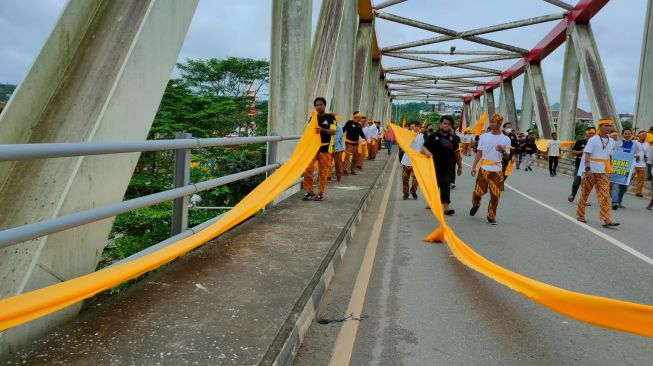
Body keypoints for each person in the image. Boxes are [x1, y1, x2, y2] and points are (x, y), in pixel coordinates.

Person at [576, 119, 620, 227]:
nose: (608, 127)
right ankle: (580, 214)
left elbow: (610, 156)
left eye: (610, 126)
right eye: (606, 125)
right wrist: (587, 168)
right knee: (584, 194)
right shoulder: (593, 140)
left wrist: (611, 168)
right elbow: (587, 153)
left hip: (603, 171)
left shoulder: (612, 142)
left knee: (605, 195)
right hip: (590, 170)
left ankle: (606, 219)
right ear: (600, 127)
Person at [469, 113, 511, 225]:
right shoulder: (484, 137)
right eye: (491, 121)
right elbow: (479, 152)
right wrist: (473, 167)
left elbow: (507, 156)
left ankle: (490, 216)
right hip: (483, 169)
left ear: (499, 123)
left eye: (493, 122)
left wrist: (502, 150)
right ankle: (476, 204)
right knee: (478, 193)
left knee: (495, 195)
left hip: (497, 171)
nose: (491, 124)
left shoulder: (506, 139)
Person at [422, 116, 463, 215]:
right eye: (444, 123)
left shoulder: (454, 138)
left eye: (449, 124)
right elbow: (424, 147)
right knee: (434, 184)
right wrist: (427, 152)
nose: (446, 125)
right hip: (433, 165)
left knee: (445, 184)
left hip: (448, 166)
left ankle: (446, 207)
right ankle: (431, 201)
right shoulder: (433, 136)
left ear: (451, 126)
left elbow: (457, 153)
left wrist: (460, 166)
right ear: (440, 124)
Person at [302, 97, 336, 201]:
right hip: (313, 148)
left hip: (324, 148)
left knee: (323, 171)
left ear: (324, 105)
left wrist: (322, 130)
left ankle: (320, 193)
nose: (318, 106)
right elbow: (309, 132)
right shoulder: (313, 118)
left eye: (320, 104)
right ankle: (309, 191)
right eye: (316, 105)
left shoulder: (330, 117)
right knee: (308, 169)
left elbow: (333, 132)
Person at [611, 128, 641, 209]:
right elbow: (612, 154)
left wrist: (637, 157)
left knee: (624, 187)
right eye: (626, 134)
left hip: (628, 169)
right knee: (615, 186)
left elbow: (638, 157)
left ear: (631, 134)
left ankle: (619, 201)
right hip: (617, 168)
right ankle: (614, 202)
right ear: (622, 134)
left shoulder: (635, 145)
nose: (627, 135)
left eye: (629, 134)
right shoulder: (617, 144)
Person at [568, 127, 596, 202]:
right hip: (579, 165)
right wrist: (581, 152)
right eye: (590, 133)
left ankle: (584, 199)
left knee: (587, 183)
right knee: (577, 182)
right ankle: (573, 194)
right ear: (586, 134)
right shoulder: (580, 142)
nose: (592, 135)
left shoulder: (596, 144)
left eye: (593, 133)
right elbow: (573, 152)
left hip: (590, 166)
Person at [400, 122, 423, 200]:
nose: (416, 128)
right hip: (406, 160)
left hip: (416, 161)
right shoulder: (408, 135)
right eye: (415, 126)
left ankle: (413, 191)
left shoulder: (421, 136)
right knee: (405, 178)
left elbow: (422, 148)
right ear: (412, 127)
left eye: (418, 126)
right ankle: (405, 194)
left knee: (416, 179)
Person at [633, 131, 649, 196]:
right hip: (633, 163)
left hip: (643, 164)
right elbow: (631, 151)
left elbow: (647, 153)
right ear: (639, 135)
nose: (644, 136)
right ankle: (623, 188)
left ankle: (638, 192)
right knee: (629, 177)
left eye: (645, 135)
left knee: (641, 180)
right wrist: (635, 155)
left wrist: (646, 158)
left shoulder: (647, 144)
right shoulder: (634, 142)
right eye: (643, 135)